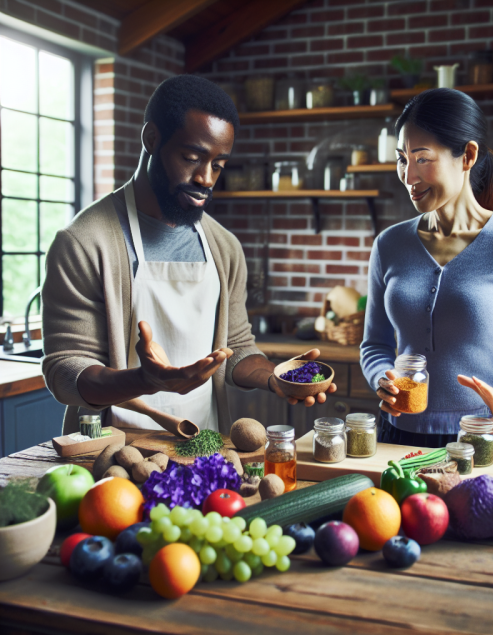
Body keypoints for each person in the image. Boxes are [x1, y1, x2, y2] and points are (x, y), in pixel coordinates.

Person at [42, 75, 335, 435]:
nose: (206, 178)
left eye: (218, 165)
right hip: (109, 458)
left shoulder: (224, 247)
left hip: (203, 447)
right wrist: (146, 380)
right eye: (191, 158)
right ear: (152, 139)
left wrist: (275, 378)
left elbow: (237, 346)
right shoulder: (84, 243)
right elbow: (65, 372)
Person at [360, 88, 493, 460]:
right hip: (397, 441)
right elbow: (374, 344)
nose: (409, 175)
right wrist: (382, 380)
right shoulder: (389, 244)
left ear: (467, 156)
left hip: (482, 442)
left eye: (423, 158)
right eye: (402, 159)